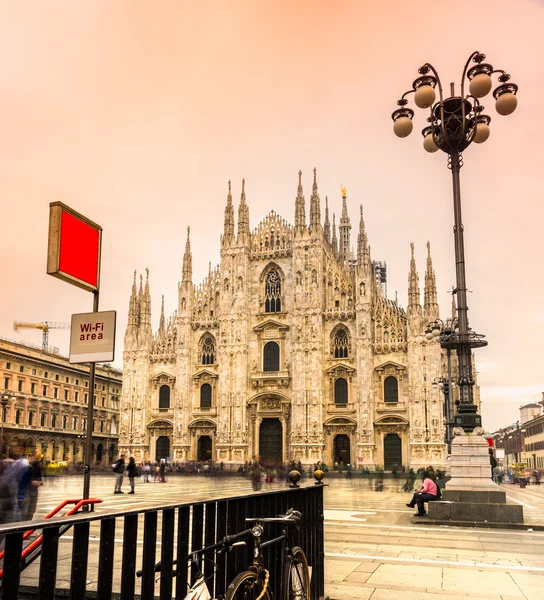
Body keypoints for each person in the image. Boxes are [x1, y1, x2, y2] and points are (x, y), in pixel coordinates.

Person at [21, 451, 44, 521]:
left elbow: (38, 475)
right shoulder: (26, 464)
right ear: (32, 456)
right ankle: (21, 528)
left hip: (34, 489)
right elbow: (20, 477)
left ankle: (27, 527)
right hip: (26, 490)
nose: (38, 459)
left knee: (31, 510)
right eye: (37, 458)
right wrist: (31, 481)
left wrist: (40, 481)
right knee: (24, 511)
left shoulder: (37, 465)